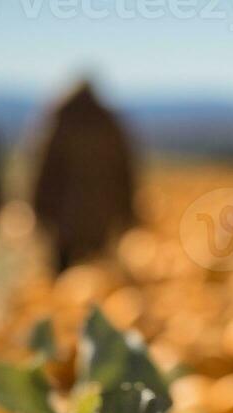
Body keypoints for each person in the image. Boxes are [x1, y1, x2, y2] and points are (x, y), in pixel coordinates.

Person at [31, 80, 138, 272]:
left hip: (64, 217)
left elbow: (44, 172)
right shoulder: (109, 124)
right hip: (102, 215)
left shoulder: (59, 123)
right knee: (97, 272)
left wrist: (40, 209)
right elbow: (124, 171)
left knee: (64, 277)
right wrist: (127, 211)